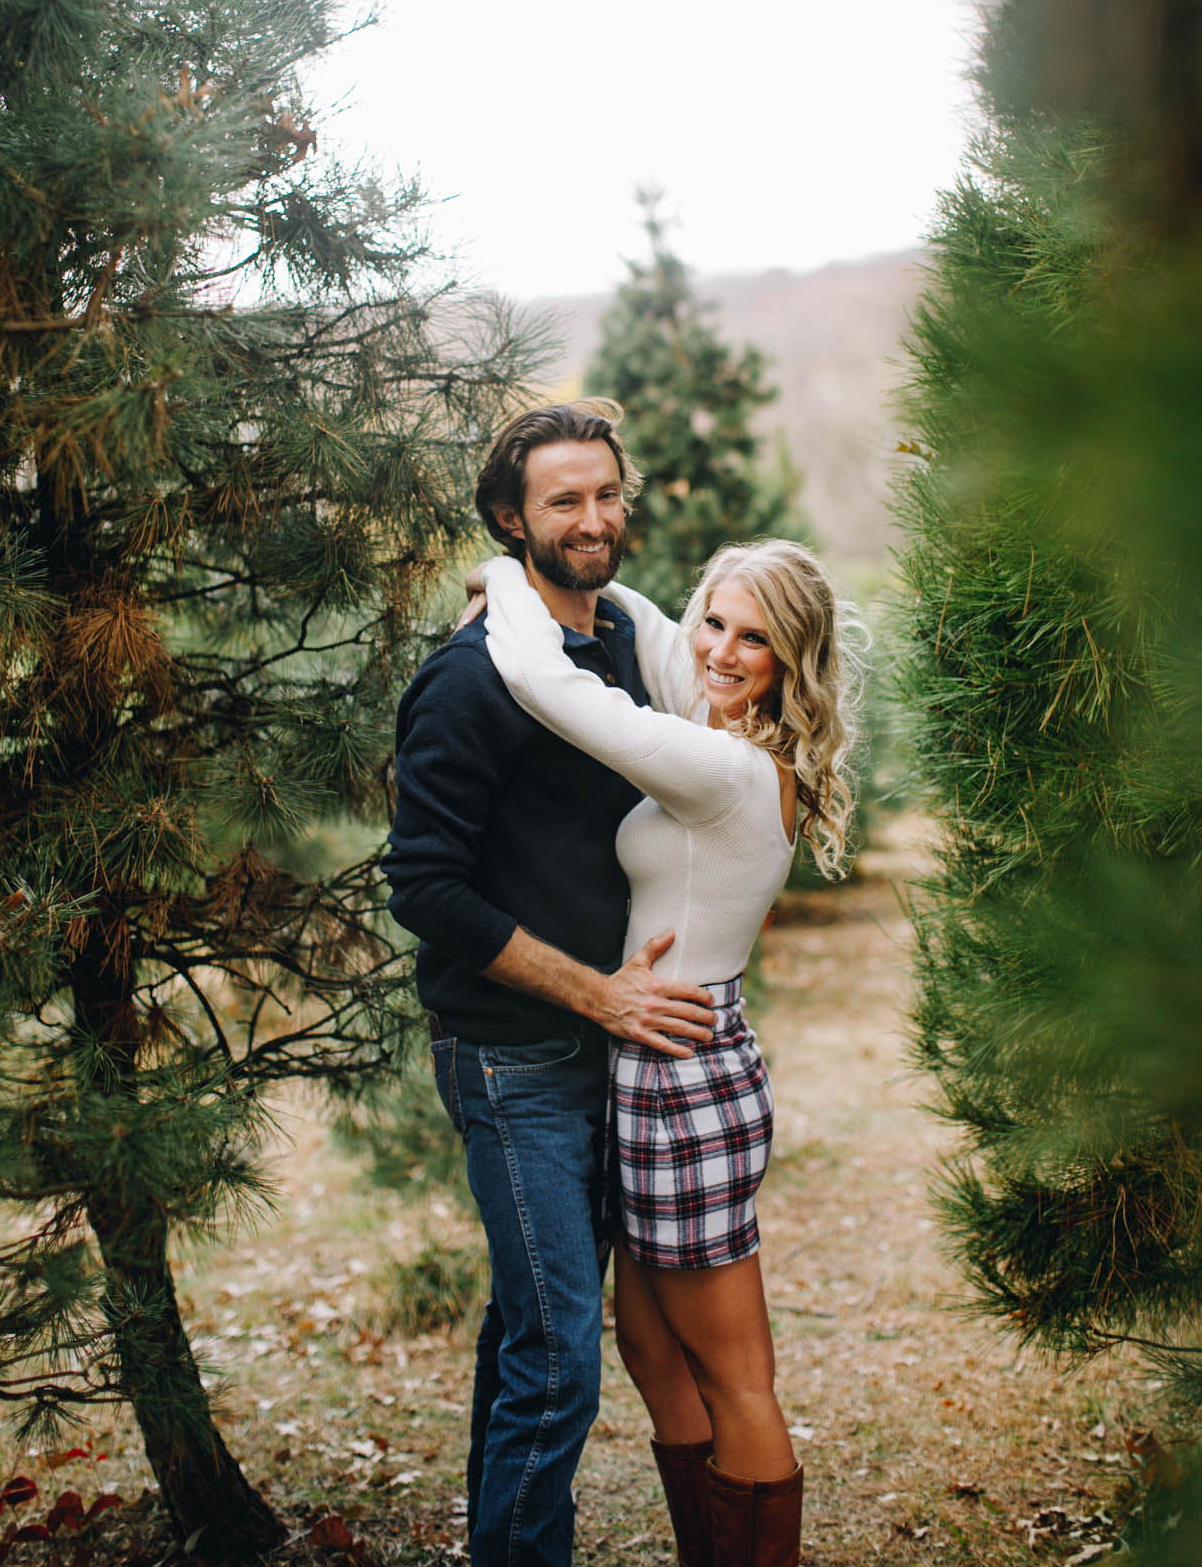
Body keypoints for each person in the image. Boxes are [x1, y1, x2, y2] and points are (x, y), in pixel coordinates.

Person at [474, 537, 860, 1567]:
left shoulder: (728, 767)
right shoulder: (718, 733)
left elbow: (551, 686)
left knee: (736, 1376)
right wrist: (574, 577)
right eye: (716, 622)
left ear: (793, 659)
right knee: (649, 1345)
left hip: (687, 1081)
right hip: (657, 1069)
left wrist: (510, 578)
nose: (723, 650)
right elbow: (651, 633)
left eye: (756, 637)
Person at [384, 400, 718, 1567]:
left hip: (613, 1057)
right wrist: (599, 994)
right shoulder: (470, 681)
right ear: (508, 520)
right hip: (515, 1057)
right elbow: (424, 890)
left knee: (534, 1329)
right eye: (562, 500)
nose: (593, 518)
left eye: (606, 492)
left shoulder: (622, 642)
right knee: (561, 1346)